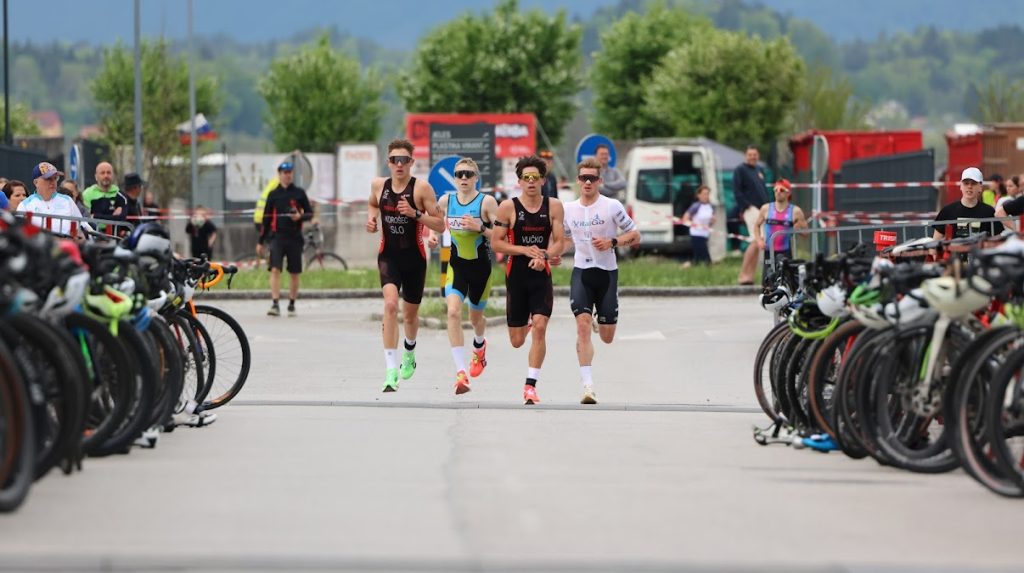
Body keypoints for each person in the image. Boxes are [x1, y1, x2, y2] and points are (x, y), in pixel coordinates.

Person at [366, 139, 445, 392]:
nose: (399, 164)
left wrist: (415, 214)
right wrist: (372, 219)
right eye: (394, 160)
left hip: (414, 258)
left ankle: (409, 352)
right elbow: (372, 203)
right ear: (388, 162)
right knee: (390, 305)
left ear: (411, 162)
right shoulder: (379, 185)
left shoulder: (421, 189)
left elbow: (440, 224)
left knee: (410, 315)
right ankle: (391, 371)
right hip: (388, 256)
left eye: (404, 160)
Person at [561, 158, 639, 404]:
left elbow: (635, 235)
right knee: (582, 326)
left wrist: (612, 242)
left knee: (607, 337)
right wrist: (553, 254)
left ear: (599, 181)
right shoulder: (568, 209)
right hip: (581, 272)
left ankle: (600, 318)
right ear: (577, 180)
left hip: (607, 273)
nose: (587, 182)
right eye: (583, 178)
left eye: (592, 178)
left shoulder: (611, 206)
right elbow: (565, 240)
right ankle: (588, 386)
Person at [490, 155, 566, 405]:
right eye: (526, 177)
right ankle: (527, 324)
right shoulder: (507, 207)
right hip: (516, 276)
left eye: (535, 177)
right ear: (520, 181)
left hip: (541, 275)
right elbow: (497, 243)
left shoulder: (554, 206)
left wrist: (544, 256)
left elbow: (560, 242)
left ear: (543, 180)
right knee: (517, 341)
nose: (531, 181)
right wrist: (525, 250)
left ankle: (530, 386)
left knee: (541, 327)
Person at [426, 157, 499, 395]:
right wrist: (433, 236)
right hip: (456, 267)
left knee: (475, 318)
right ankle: (460, 373)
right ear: (455, 179)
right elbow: (434, 223)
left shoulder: (487, 202)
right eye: (459, 174)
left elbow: (502, 236)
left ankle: (479, 345)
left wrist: (480, 228)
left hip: (481, 270)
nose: (464, 178)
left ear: (476, 178)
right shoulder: (446, 201)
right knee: (453, 312)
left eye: (468, 174)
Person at [259, 161, 313, 317]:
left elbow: (309, 213)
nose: (287, 175)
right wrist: (260, 241)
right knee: (275, 269)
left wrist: (300, 216)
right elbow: (266, 219)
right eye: (285, 172)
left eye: (290, 172)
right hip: (277, 237)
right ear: (280, 174)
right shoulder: (273, 194)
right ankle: (275, 303)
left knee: (294, 272)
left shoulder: (299, 193)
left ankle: (292, 304)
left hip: (295, 237)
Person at [753, 179, 807, 277]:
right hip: (769, 251)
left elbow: (806, 233)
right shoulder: (766, 208)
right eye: (775, 190)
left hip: (785, 251)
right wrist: (759, 240)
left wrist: (797, 229)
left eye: (781, 190)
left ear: (788, 193)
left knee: (786, 280)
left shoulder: (796, 211)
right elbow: (756, 225)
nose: (778, 192)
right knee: (768, 281)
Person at [17, 162, 86, 237]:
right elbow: (18, 233)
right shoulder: (24, 205)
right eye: (48, 178)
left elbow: (83, 226)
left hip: (66, 243)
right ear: (36, 182)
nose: (53, 182)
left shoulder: (67, 200)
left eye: (55, 178)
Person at [734, 146, 770, 285]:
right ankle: (743, 274)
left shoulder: (759, 170)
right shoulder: (740, 170)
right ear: (745, 156)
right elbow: (737, 191)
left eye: (755, 154)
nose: (752, 157)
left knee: (759, 241)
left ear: (758, 156)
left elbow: (763, 190)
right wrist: (747, 206)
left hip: (762, 209)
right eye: (750, 154)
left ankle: (750, 275)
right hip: (751, 209)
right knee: (756, 239)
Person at [934, 167, 1002, 239]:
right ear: (961, 186)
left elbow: (998, 241)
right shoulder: (947, 211)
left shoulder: (989, 212)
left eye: (973, 183)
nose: (969, 186)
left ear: (980, 187)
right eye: (966, 183)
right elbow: (935, 241)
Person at [681, 185, 715, 265]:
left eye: (707, 194)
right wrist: (693, 224)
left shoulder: (711, 206)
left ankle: (687, 265)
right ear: (699, 195)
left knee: (697, 258)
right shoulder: (696, 206)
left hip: (705, 234)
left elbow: (709, 222)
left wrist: (712, 221)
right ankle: (708, 266)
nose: (706, 196)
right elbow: (685, 218)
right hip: (696, 233)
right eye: (704, 194)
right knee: (705, 255)